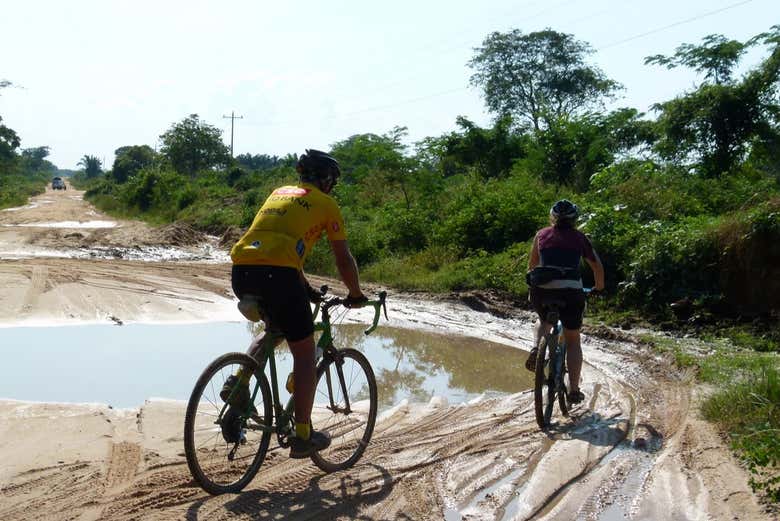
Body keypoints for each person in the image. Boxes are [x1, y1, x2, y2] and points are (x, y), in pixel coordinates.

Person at [226, 149, 367, 458]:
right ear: (327, 180)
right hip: (279, 276)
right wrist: (355, 293)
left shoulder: (279, 193)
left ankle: (239, 381)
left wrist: (307, 289)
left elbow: (280, 245)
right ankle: (302, 435)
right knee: (304, 356)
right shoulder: (327, 204)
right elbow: (343, 259)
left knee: (272, 329)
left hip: (242, 271)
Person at [525, 199, 604, 404]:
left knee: (542, 321)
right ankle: (574, 390)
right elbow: (597, 266)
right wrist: (599, 287)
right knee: (572, 339)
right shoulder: (580, 238)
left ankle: (536, 348)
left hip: (543, 290)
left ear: (553, 217)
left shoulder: (541, 235)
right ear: (574, 220)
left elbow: (532, 265)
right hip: (571, 292)